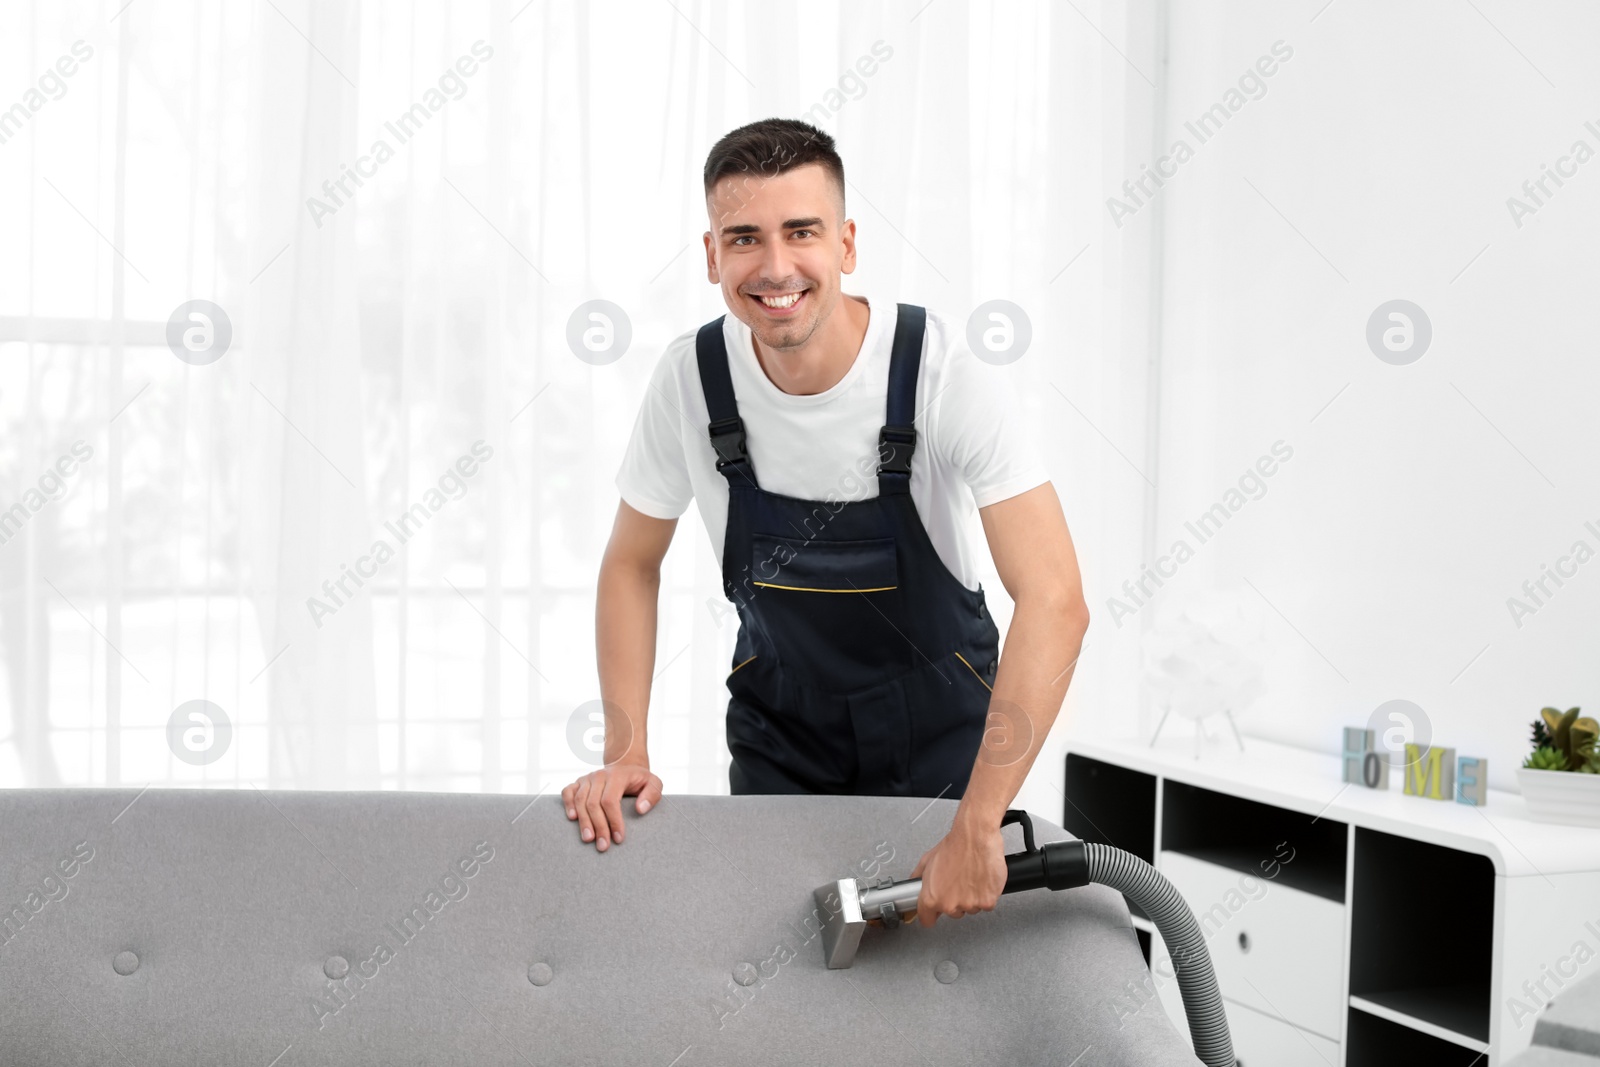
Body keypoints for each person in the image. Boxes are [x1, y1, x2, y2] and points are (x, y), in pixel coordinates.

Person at [561, 118, 1089, 926]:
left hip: (945, 742)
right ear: (711, 257)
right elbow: (632, 562)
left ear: (844, 244)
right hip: (783, 739)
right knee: (785, 981)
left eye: (800, 232)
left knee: (934, 990)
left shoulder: (939, 373)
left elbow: (1055, 598)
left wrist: (980, 822)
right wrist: (624, 750)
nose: (775, 268)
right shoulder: (692, 382)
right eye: (744, 238)